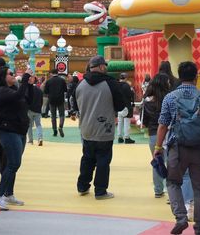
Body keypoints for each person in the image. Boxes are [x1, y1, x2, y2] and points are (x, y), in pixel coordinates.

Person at [153, 61, 200, 235]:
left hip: (177, 148)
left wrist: (158, 147)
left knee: (173, 182)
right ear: (196, 77)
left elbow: (163, 125)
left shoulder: (170, 97)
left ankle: (181, 217)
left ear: (179, 77)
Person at [75, 56, 126, 200]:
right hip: (105, 129)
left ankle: (82, 186)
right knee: (103, 160)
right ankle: (100, 190)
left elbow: (75, 105)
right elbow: (120, 105)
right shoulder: (110, 83)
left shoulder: (81, 84)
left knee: (87, 158)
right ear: (102, 67)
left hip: (86, 127)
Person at [0, 67, 33, 210]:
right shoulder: (2, 91)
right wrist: (26, 77)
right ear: (3, 77)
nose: (13, 75)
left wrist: (29, 84)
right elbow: (19, 96)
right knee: (13, 164)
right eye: (10, 74)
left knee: (11, 164)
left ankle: (8, 194)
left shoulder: (12, 89)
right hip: (9, 131)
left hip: (18, 131)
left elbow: (26, 98)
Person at [141, 73, 170, 198]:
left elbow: (144, 121)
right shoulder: (169, 99)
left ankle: (158, 190)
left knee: (157, 160)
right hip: (169, 134)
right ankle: (171, 192)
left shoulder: (147, 101)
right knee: (172, 163)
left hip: (153, 134)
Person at [43, 70, 68, 137]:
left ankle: (54, 130)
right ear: (57, 73)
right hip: (60, 99)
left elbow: (45, 91)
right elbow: (66, 90)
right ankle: (60, 126)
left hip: (51, 100)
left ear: (51, 73)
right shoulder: (62, 80)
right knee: (61, 114)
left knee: (53, 116)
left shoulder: (49, 81)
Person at [116, 73, 135, 144]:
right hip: (126, 106)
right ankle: (127, 137)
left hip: (119, 106)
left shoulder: (116, 85)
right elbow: (130, 94)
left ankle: (119, 137)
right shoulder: (126, 86)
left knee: (120, 122)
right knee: (127, 122)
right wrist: (132, 90)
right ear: (126, 78)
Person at [27, 79, 44, 146]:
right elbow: (41, 101)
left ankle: (31, 140)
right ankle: (40, 138)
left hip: (30, 110)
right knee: (38, 125)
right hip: (38, 110)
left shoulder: (28, 90)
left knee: (29, 126)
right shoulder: (39, 90)